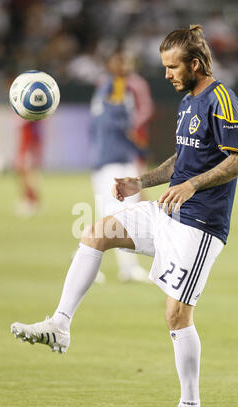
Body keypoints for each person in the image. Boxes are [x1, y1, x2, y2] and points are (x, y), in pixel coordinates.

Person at [11, 25, 238, 407]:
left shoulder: (223, 99)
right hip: (165, 211)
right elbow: (181, 159)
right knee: (95, 233)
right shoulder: (189, 102)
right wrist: (141, 183)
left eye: (172, 67)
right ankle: (60, 324)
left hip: (199, 225)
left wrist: (191, 185)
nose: (167, 74)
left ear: (195, 64)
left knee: (176, 316)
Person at [89, 48, 154, 282]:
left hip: (112, 159)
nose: (125, 65)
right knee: (119, 216)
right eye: (120, 61)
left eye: (127, 61)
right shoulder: (114, 86)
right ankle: (112, 266)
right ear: (110, 64)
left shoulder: (110, 86)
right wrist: (137, 147)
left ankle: (117, 266)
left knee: (117, 216)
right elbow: (115, 123)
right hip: (113, 160)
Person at [14, 118, 43, 217]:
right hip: (25, 139)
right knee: (22, 169)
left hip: (29, 140)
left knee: (27, 170)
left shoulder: (30, 109)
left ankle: (31, 201)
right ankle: (28, 198)